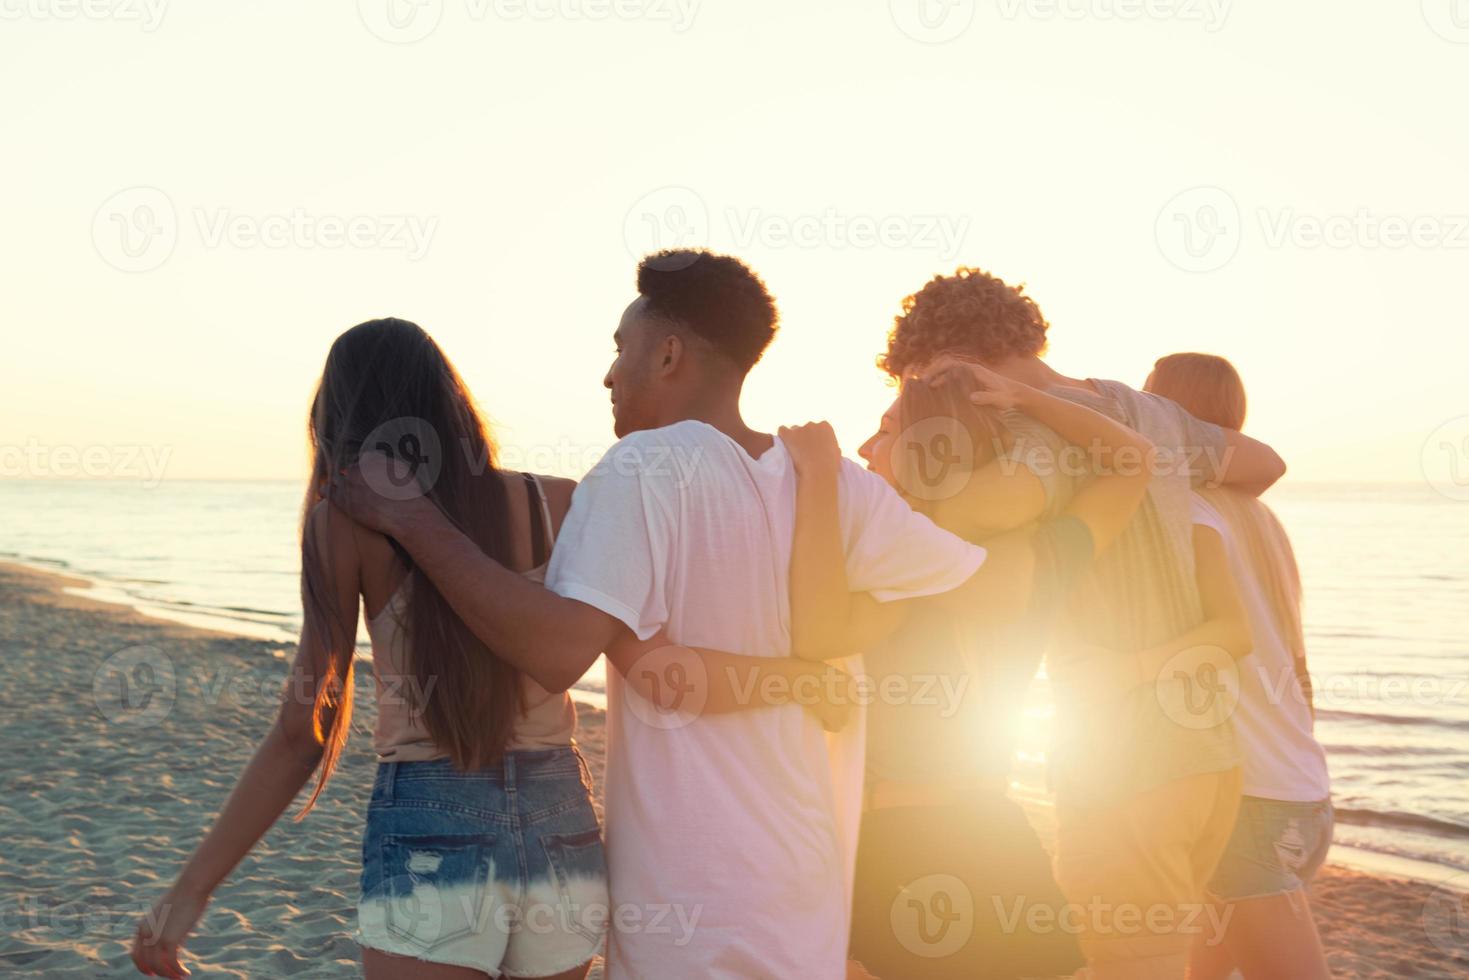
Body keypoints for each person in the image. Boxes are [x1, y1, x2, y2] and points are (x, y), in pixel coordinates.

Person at [328, 251, 1044, 979]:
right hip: (804, 877)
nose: (609, 373)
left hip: (684, 892)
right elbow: (990, 592)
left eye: (620, 348)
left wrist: (412, 521)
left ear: (668, 353)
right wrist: (845, 634)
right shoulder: (838, 485)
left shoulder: (637, 471)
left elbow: (558, 652)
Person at [129, 319, 833, 980]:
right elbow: (657, 670)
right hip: (561, 827)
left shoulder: (344, 525)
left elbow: (300, 730)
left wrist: (187, 896)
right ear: (452, 408)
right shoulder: (558, 503)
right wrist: (798, 677)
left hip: (431, 822)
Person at [885, 267, 1285, 980]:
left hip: (1127, 756)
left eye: (922, 385)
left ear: (952, 362)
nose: (925, 407)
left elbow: (983, 513)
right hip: (1207, 752)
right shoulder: (1143, 410)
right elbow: (1262, 463)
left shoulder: (1021, 426)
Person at [778, 358, 1158, 979]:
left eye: (885, 429)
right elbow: (1134, 459)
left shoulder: (910, 560)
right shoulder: (1039, 556)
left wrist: (818, 475)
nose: (867, 446)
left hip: (903, 845)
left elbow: (819, 634)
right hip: (994, 836)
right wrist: (1025, 398)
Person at [1146, 352, 1333, 980]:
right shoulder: (1264, 521)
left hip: (1246, 801)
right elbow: (1298, 668)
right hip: (1305, 792)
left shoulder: (1186, 516)